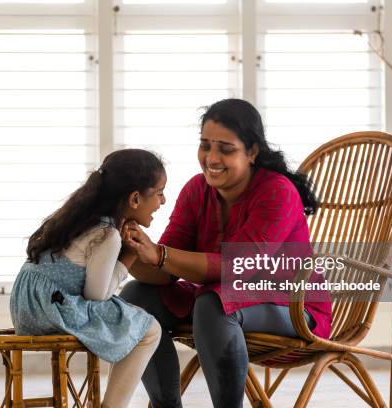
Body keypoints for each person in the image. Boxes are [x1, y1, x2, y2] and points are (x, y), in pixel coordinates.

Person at [119, 98, 332, 408]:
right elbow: (163, 272)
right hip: (216, 300)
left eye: (225, 149)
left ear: (252, 152)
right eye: (205, 145)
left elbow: (236, 267)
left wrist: (160, 254)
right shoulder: (196, 190)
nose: (211, 158)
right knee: (136, 296)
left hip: (293, 307)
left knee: (214, 303)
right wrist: (131, 247)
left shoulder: (278, 191)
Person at [10, 149, 167, 408]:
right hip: (49, 308)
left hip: (28, 307)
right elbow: (97, 296)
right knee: (149, 329)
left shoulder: (79, 219)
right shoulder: (107, 234)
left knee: (130, 317)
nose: (163, 201)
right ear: (135, 199)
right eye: (160, 192)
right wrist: (128, 257)